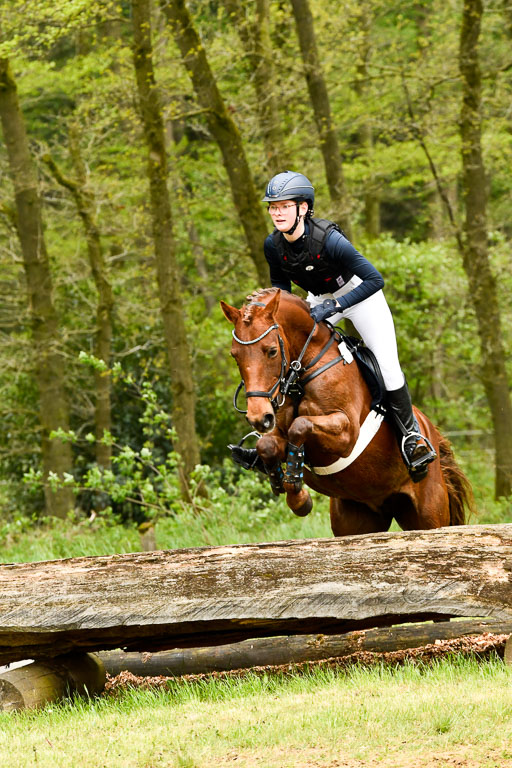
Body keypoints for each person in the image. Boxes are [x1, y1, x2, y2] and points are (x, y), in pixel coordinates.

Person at [235, 170, 437, 482]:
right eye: (273, 207)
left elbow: (374, 279)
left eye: (284, 206)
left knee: (388, 363)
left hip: (359, 295)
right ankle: (274, 442)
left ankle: (412, 438)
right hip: (318, 300)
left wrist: (338, 305)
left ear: (303, 208)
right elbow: (281, 294)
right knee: (290, 361)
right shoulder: (272, 246)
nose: (277, 213)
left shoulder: (329, 240)